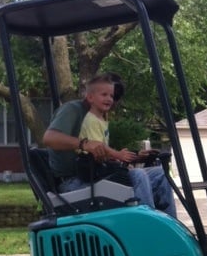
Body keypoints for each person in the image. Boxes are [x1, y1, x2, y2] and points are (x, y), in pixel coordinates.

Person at [42, 73, 176, 217]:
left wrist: (134, 156)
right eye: (106, 95)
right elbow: (49, 138)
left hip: (95, 175)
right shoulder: (73, 110)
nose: (112, 101)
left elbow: (104, 156)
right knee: (137, 175)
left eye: (113, 97)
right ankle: (148, 225)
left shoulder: (98, 117)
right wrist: (84, 144)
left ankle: (170, 230)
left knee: (160, 174)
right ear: (91, 96)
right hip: (75, 182)